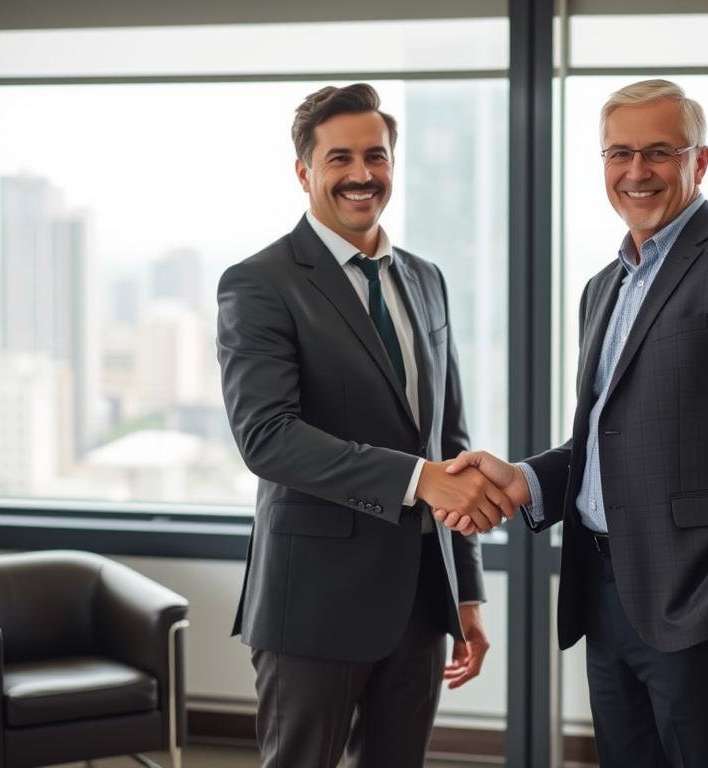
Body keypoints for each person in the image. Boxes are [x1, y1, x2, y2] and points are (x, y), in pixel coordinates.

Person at [438, 79, 708, 768]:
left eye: (658, 151)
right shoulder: (604, 287)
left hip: (705, 600)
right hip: (604, 595)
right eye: (619, 152)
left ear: (699, 162)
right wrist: (525, 479)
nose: (636, 171)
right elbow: (610, 441)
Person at [216, 83, 512, 768]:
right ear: (304, 172)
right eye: (340, 157)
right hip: (311, 605)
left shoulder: (425, 278)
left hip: (418, 601)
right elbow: (268, 437)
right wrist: (418, 480)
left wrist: (464, 590)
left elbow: (450, 445)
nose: (361, 175)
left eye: (375, 156)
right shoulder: (259, 282)